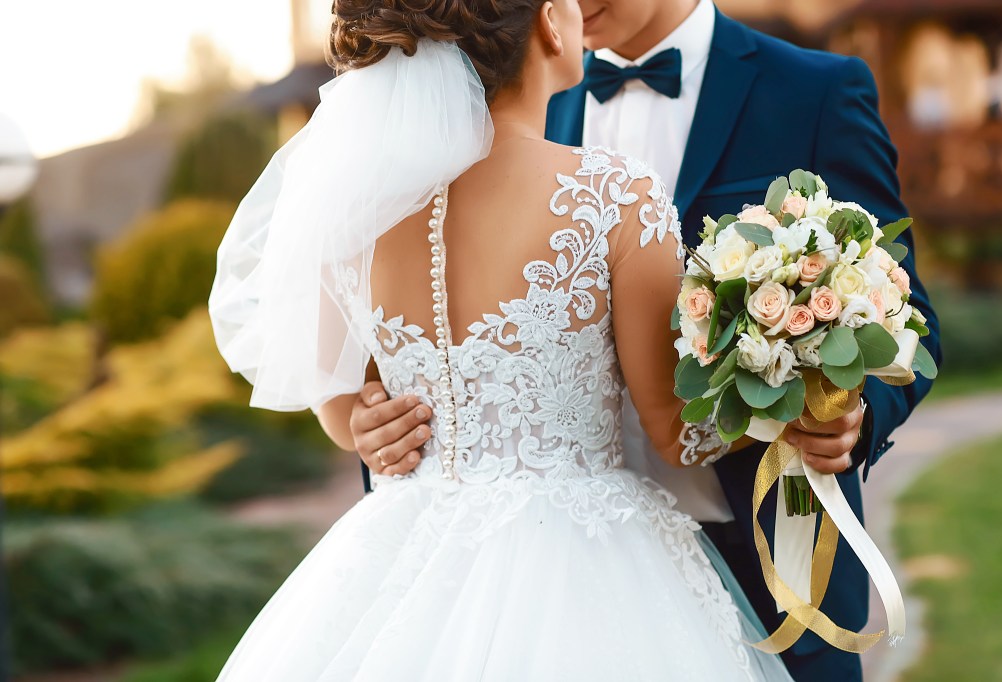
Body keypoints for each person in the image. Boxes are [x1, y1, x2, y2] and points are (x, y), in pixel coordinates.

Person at [349, 1, 942, 680]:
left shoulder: (816, 91)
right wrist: (380, 426)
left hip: (777, 564)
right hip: (537, 589)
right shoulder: (514, 84)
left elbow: (903, 306)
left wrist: (850, 409)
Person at [208, 0, 795, 679]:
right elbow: (678, 431)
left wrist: (366, 426)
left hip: (410, 551)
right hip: (587, 558)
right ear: (550, 20)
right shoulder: (611, 195)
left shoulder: (359, 214)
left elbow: (342, 410)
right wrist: (788, 378)